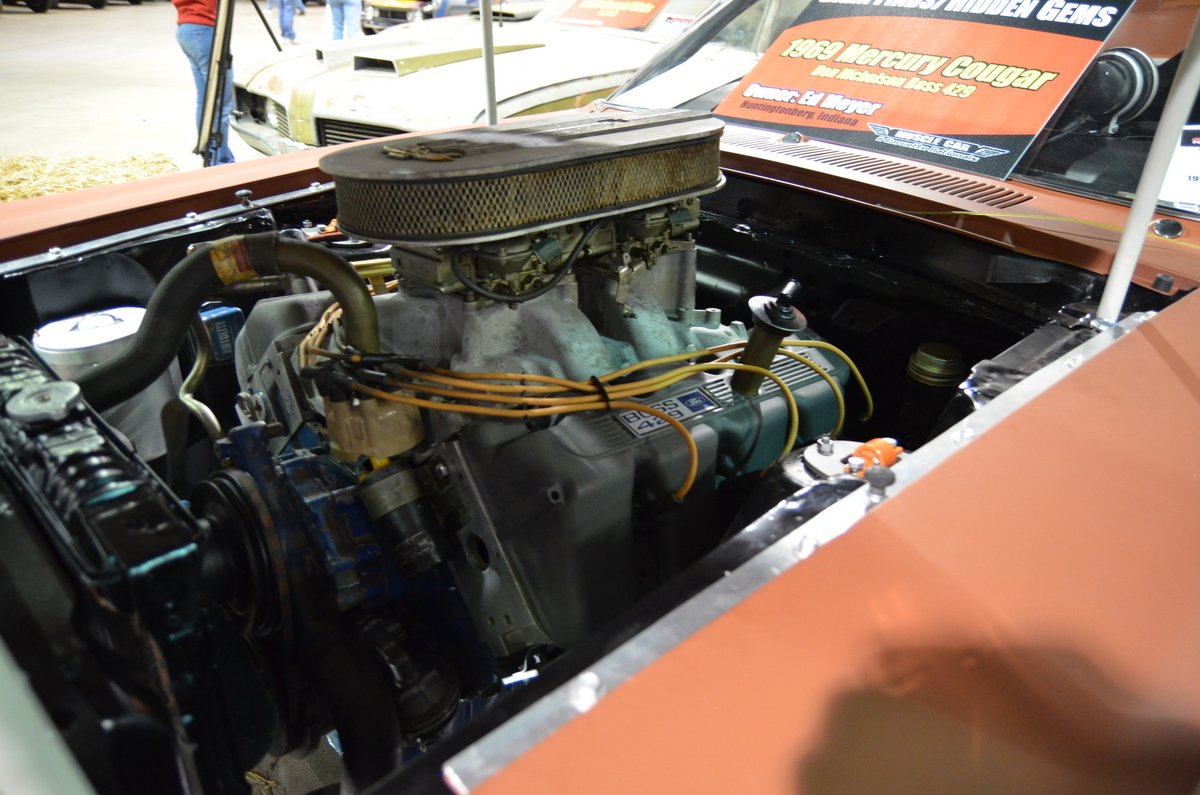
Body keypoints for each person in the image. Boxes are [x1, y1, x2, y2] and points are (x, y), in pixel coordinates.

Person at [171, 0, 236, 165]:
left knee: (206, 98)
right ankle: (219, 160)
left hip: (186, 28)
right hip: (204, 30)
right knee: (220, 100)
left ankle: (210, 152)